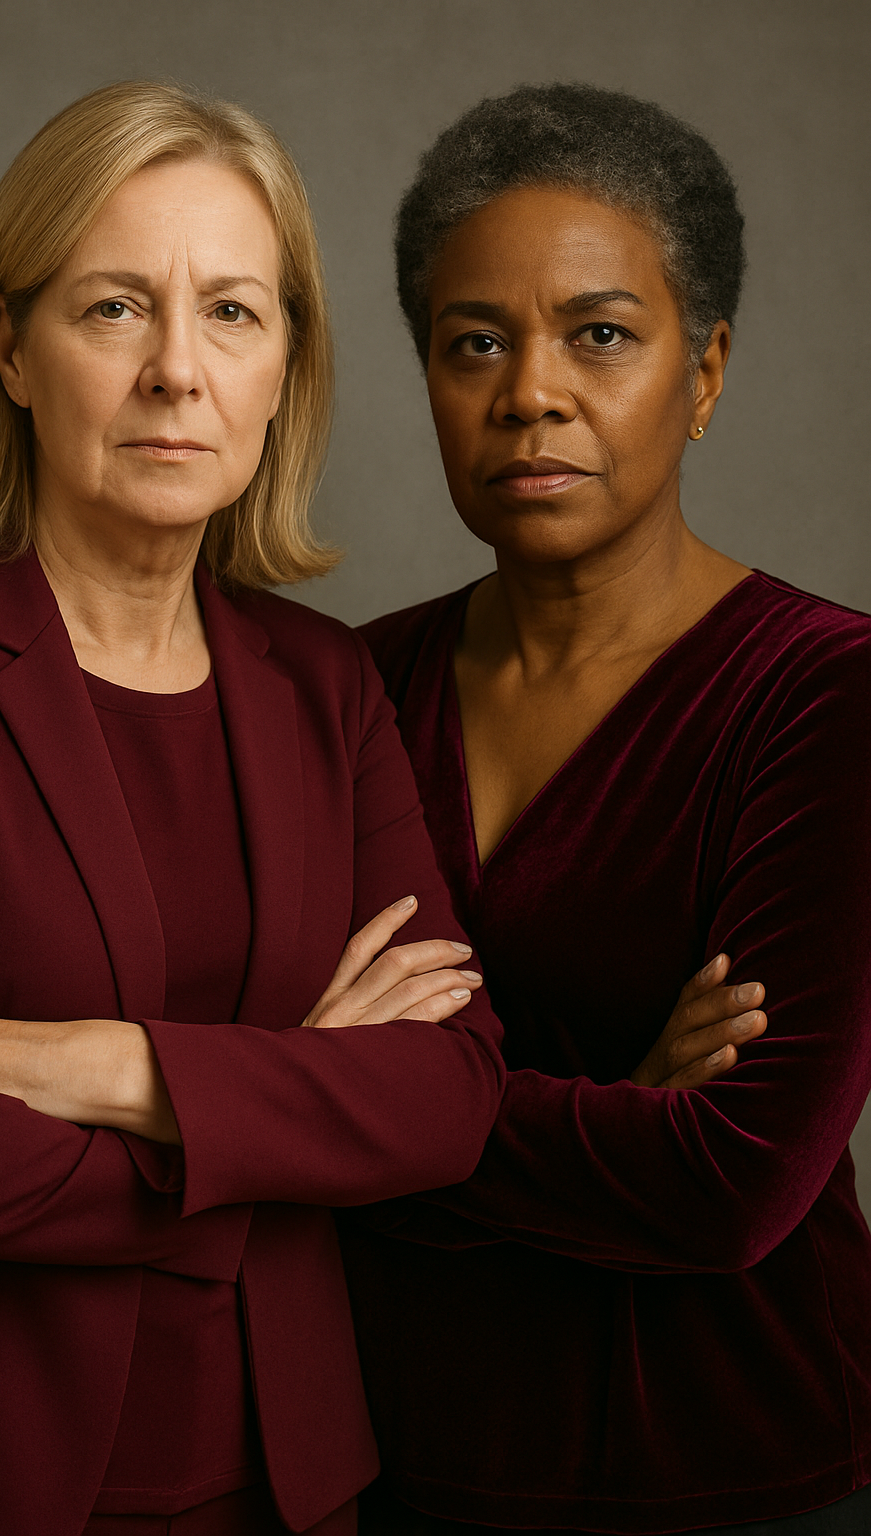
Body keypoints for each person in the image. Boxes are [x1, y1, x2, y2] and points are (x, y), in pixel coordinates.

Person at [0, 79, 767, 1536]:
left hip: (296, 1487)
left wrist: (109, 1067)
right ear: (12, 348)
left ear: (284, 368)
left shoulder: (322, 685)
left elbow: (449, 1091)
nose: (176, 371)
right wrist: (284, 1106)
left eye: (231, 311)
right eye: (111, 309)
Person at [347, 84, 871, 1536]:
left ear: (703, 372)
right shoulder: (339, 688)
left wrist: (367, 1112)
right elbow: (250, 1096)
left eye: (601, 335)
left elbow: (732, 1186)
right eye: (474, 345)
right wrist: (622, 1103)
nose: (530, 392)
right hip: (390, 1469)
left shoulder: (826, 695)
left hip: (739, 1474)